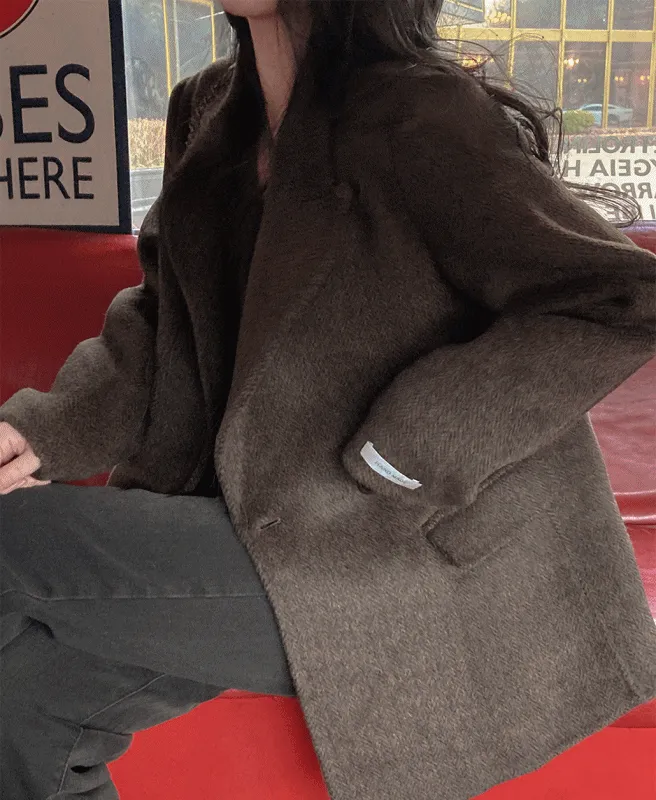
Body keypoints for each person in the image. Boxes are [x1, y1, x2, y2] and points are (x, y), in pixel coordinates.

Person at [1, 1, 655, 798]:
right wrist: (43, 431)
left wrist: (414, 446)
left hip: (395, 547)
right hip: (258, 528)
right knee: (24, 706)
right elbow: (166, 321)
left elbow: (618, 298)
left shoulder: (421, 115)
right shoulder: (208, 110)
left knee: (11, 541)